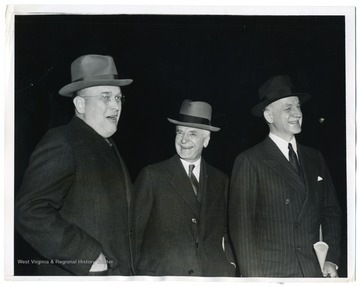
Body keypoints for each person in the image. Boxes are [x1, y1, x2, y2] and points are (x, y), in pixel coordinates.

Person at [15, 54, 134, 276]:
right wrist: (86, 256)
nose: (115, 106)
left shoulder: (107, 145)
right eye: (105, 97)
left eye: (118, 98)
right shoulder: (62, 141)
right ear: (80, 104)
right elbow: (28, 210)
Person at [229, 75, 342, 278]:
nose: (297, 113)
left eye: (298, 107)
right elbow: (242, 231)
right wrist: (255, 280)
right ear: (269, 116)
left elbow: (331, 211)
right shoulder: (250, 160)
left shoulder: (315, 157)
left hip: (313, 271)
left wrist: (331, 259)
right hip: (273, 275)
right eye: (288, 108)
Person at [134, 100, 236, 276]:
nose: (183, 140)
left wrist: (230, 264)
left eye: (192, 134)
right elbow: (134, 233)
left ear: (206, 140)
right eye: (179, 132)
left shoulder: (221, 180)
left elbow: (226, 232)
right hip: (164, 276)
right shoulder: (152, 175)